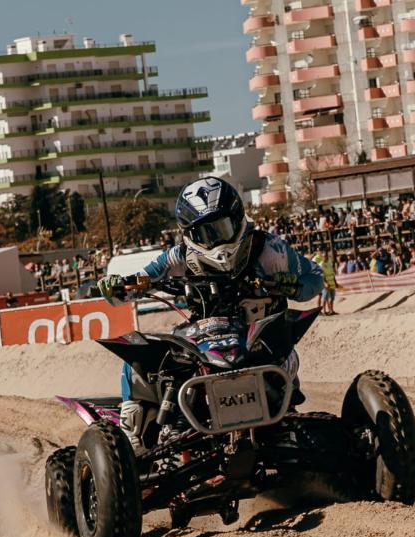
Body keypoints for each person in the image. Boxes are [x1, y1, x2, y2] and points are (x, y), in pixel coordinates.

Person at [97, 177, 324, 451]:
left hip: (259, 340)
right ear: (189, 234)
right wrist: (116, 288)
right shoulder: (177, 257)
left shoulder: (268, 248)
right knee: (138, 352)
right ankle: (133, 435)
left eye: (221, 228)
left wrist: (296, 286)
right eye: (205, 233)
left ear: (237, 218)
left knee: (286, 349)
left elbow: (315, 276)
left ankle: (284, 414)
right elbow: (137, 282)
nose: (215, 240)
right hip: (205, 340)